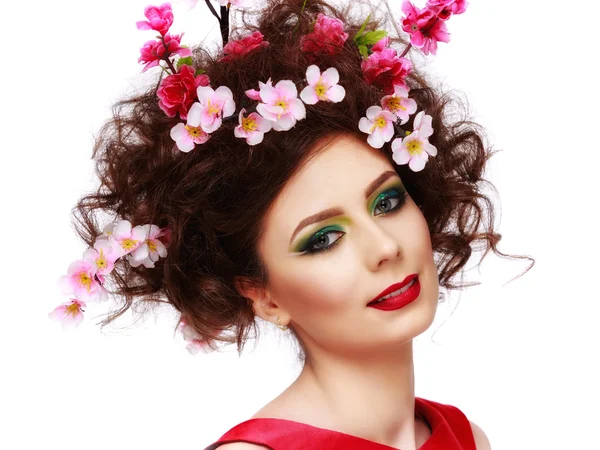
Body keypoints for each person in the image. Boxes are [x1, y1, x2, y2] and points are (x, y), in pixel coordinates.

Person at [52, 0, 533, 448]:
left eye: (387, 202)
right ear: (264, 296)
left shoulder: (465, 435)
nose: (385, 246)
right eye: (324, 238)